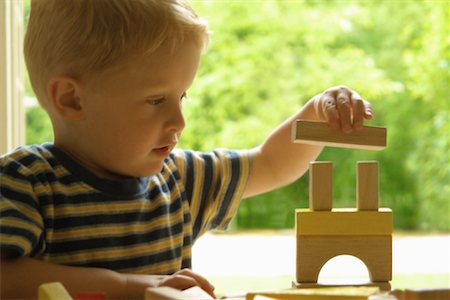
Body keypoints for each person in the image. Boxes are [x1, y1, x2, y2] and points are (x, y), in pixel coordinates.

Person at [0, 0, 373, 299]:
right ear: (73, 100)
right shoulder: (24, 182)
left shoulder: (179, 180)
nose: (179, 121)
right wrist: (132, 287)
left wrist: (317, 113)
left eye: (182, 97)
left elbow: (271, 164)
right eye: (156, 99)